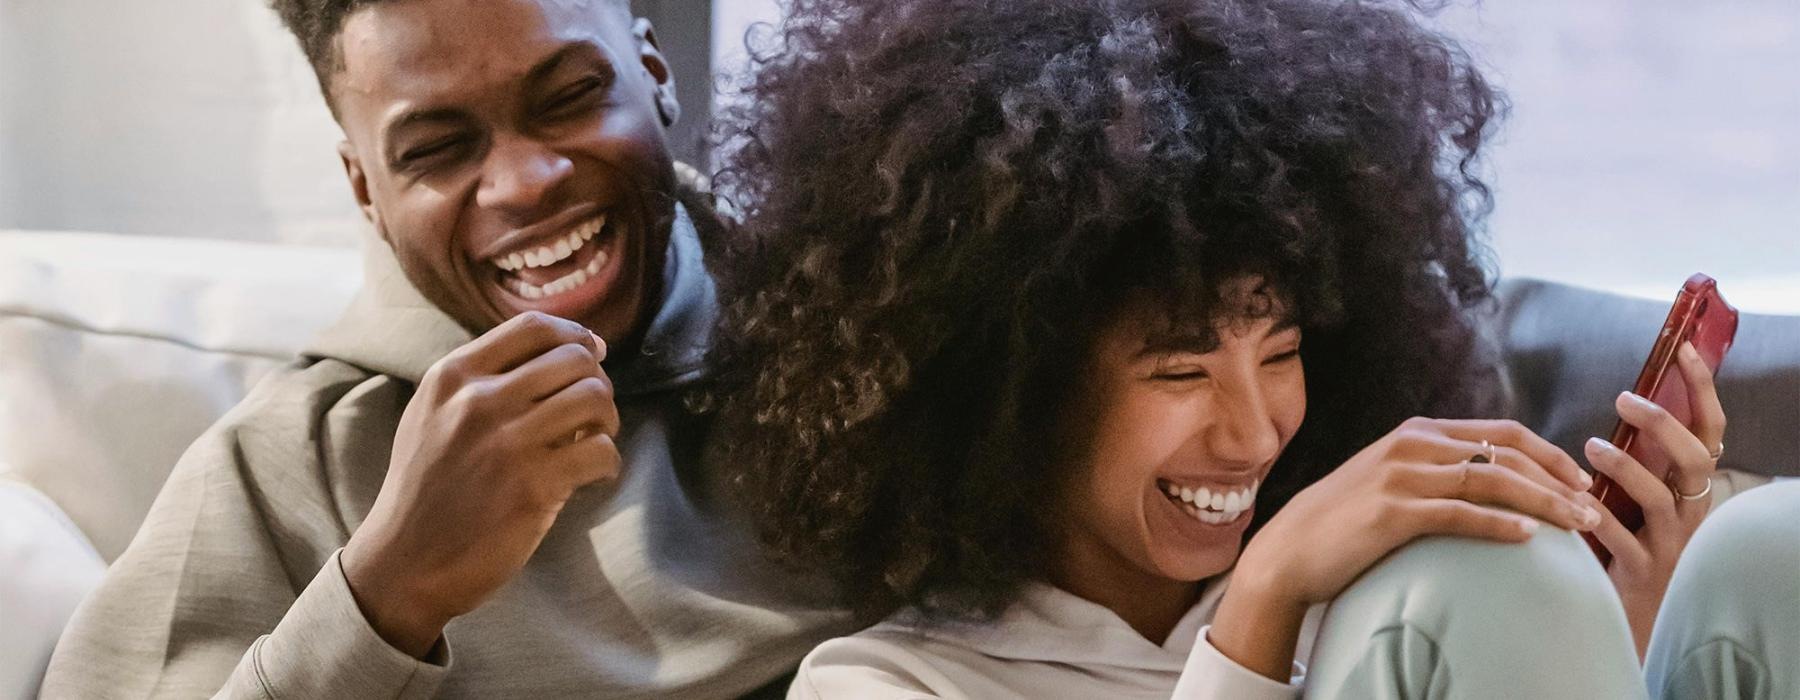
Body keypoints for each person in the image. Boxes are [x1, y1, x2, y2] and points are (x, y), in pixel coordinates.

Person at [705, 0, 1750, 696]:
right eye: (1181, 369)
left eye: (1282, 348)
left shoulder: (1364, 582)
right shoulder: (887, 686)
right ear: (1009, 390)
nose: (1255, 430)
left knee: (1764, 550)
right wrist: (1259, 611)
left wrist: (1631, 631)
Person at [43, 0, 845, 697]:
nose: (525, 182)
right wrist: (388, 590)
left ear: (654, 71)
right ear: (367, 190)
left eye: (570, 96)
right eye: (434, 148)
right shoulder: (284, 463)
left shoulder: (859, 318)